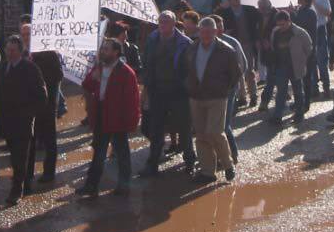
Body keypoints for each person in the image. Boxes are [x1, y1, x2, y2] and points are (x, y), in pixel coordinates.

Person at [78, 39, 140, 198]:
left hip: (118, 119)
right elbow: (86, 86)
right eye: (102, 49)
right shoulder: (98, 67)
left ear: (115, 52)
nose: (102, 52)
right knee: (98, 153)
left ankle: (124, 186)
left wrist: (131, 122)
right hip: (101, 117)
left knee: (122, 154)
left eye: (106, 49)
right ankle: (91, 186)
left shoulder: (126, 72)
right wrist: (93, 78)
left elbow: (132, 100)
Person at [185, 17, 241, 184]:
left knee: (215, 132)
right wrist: (189, 85)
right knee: (201, 135)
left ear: (216, 32)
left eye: (210, 31)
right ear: (199, 32)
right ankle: (207, 172)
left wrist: (225, 89)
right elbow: (185, 69)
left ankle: (228, 164)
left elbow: (235, 74)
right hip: (196, 96)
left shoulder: (226, 50)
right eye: (203, 32)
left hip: (218, 96)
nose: (206, 35)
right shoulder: (192, 48)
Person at [141, 11, 196, 177]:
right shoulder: (152, 40)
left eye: (166, 21)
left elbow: (191, 69)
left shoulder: (185, 43)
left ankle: (189, 161)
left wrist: (188, 87)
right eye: (160, 21)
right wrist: (147, 86)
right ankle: (152, 164)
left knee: (184, 127)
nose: (162, 24)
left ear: (174, 23)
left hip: (179, 91)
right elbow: (147, 62)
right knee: (155, 128)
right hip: (157, 89)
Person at [0, 35, 47, 205]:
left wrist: (29, 114)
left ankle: (17, 189)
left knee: (20, 155)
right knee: (13, 153)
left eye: (13, 50)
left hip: (23, 120)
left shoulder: (30, 68)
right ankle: (22, 182)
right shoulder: (2, 67)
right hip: (6, 119)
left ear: (20, 51)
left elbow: (41, 95)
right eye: (7, 50)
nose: (9, 53)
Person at [23, 23, 63, 186]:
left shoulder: (49, 53)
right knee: (30, 140)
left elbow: (57, 77)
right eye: (24, 34)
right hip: (29, 105)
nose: (26, 37)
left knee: (49, 139)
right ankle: (28, 173)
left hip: (46, 104)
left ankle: (49, 172)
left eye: (29, 34)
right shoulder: (23, 53)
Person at [212, 15, 247, 164]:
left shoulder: (232, 43)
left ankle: (233, 154)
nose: (219, 29)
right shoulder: (204, 43)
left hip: (229, 89)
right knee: (212, 125)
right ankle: (217, 155)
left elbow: (242, 65)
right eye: (216, 26)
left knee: (224, 124)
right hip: (210, 90)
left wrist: (233, 85)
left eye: (221, 26)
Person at [269, 10, 311, 127]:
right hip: (281, 66)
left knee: (298, 91)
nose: (281, 27)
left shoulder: (300, 33)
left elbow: (309, 48)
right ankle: (278, 115)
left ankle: (299, 113)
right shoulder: (275, 32)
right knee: (281, 92)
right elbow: (273, 47)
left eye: (283, 24)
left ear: (289, 21)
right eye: (279, 24)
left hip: (295, 66)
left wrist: (301, 60)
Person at [220, 0, 259, 107]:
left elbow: (260, 20)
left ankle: (253, 95)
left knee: (249, 71)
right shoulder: (225, 13)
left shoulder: (250, 9)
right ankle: (242, 96)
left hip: (247, 44)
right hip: (233, 45)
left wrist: (257, 38)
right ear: (229, 0)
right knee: (237, 72)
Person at [293, 0, 319, 110]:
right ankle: (299, 101)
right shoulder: (301, 10)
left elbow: (302, 29)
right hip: (298, 49)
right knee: (298, 77)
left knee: (306, 78)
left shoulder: (310, 12)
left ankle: (306, 103)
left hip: (307, 50)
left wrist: (293, 15)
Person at [311, 0, 334, 99]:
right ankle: (314, 88)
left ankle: (326, 87)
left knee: (322, 61)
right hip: (309, 31)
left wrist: (314, 2)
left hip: (320, 30)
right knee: (311, 62)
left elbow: (327, 12)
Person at [255, 0, 278, 111]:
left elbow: (281, 31)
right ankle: (282, 95)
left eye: (262, 8)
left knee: (271, 78)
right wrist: (259, 40)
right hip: (266, 53)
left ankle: (264, 101)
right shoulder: (259, 17)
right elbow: (258, 30)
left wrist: (271, 41)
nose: (261, 10)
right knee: (273, 77)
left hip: (276, 52)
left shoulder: (277, 15)